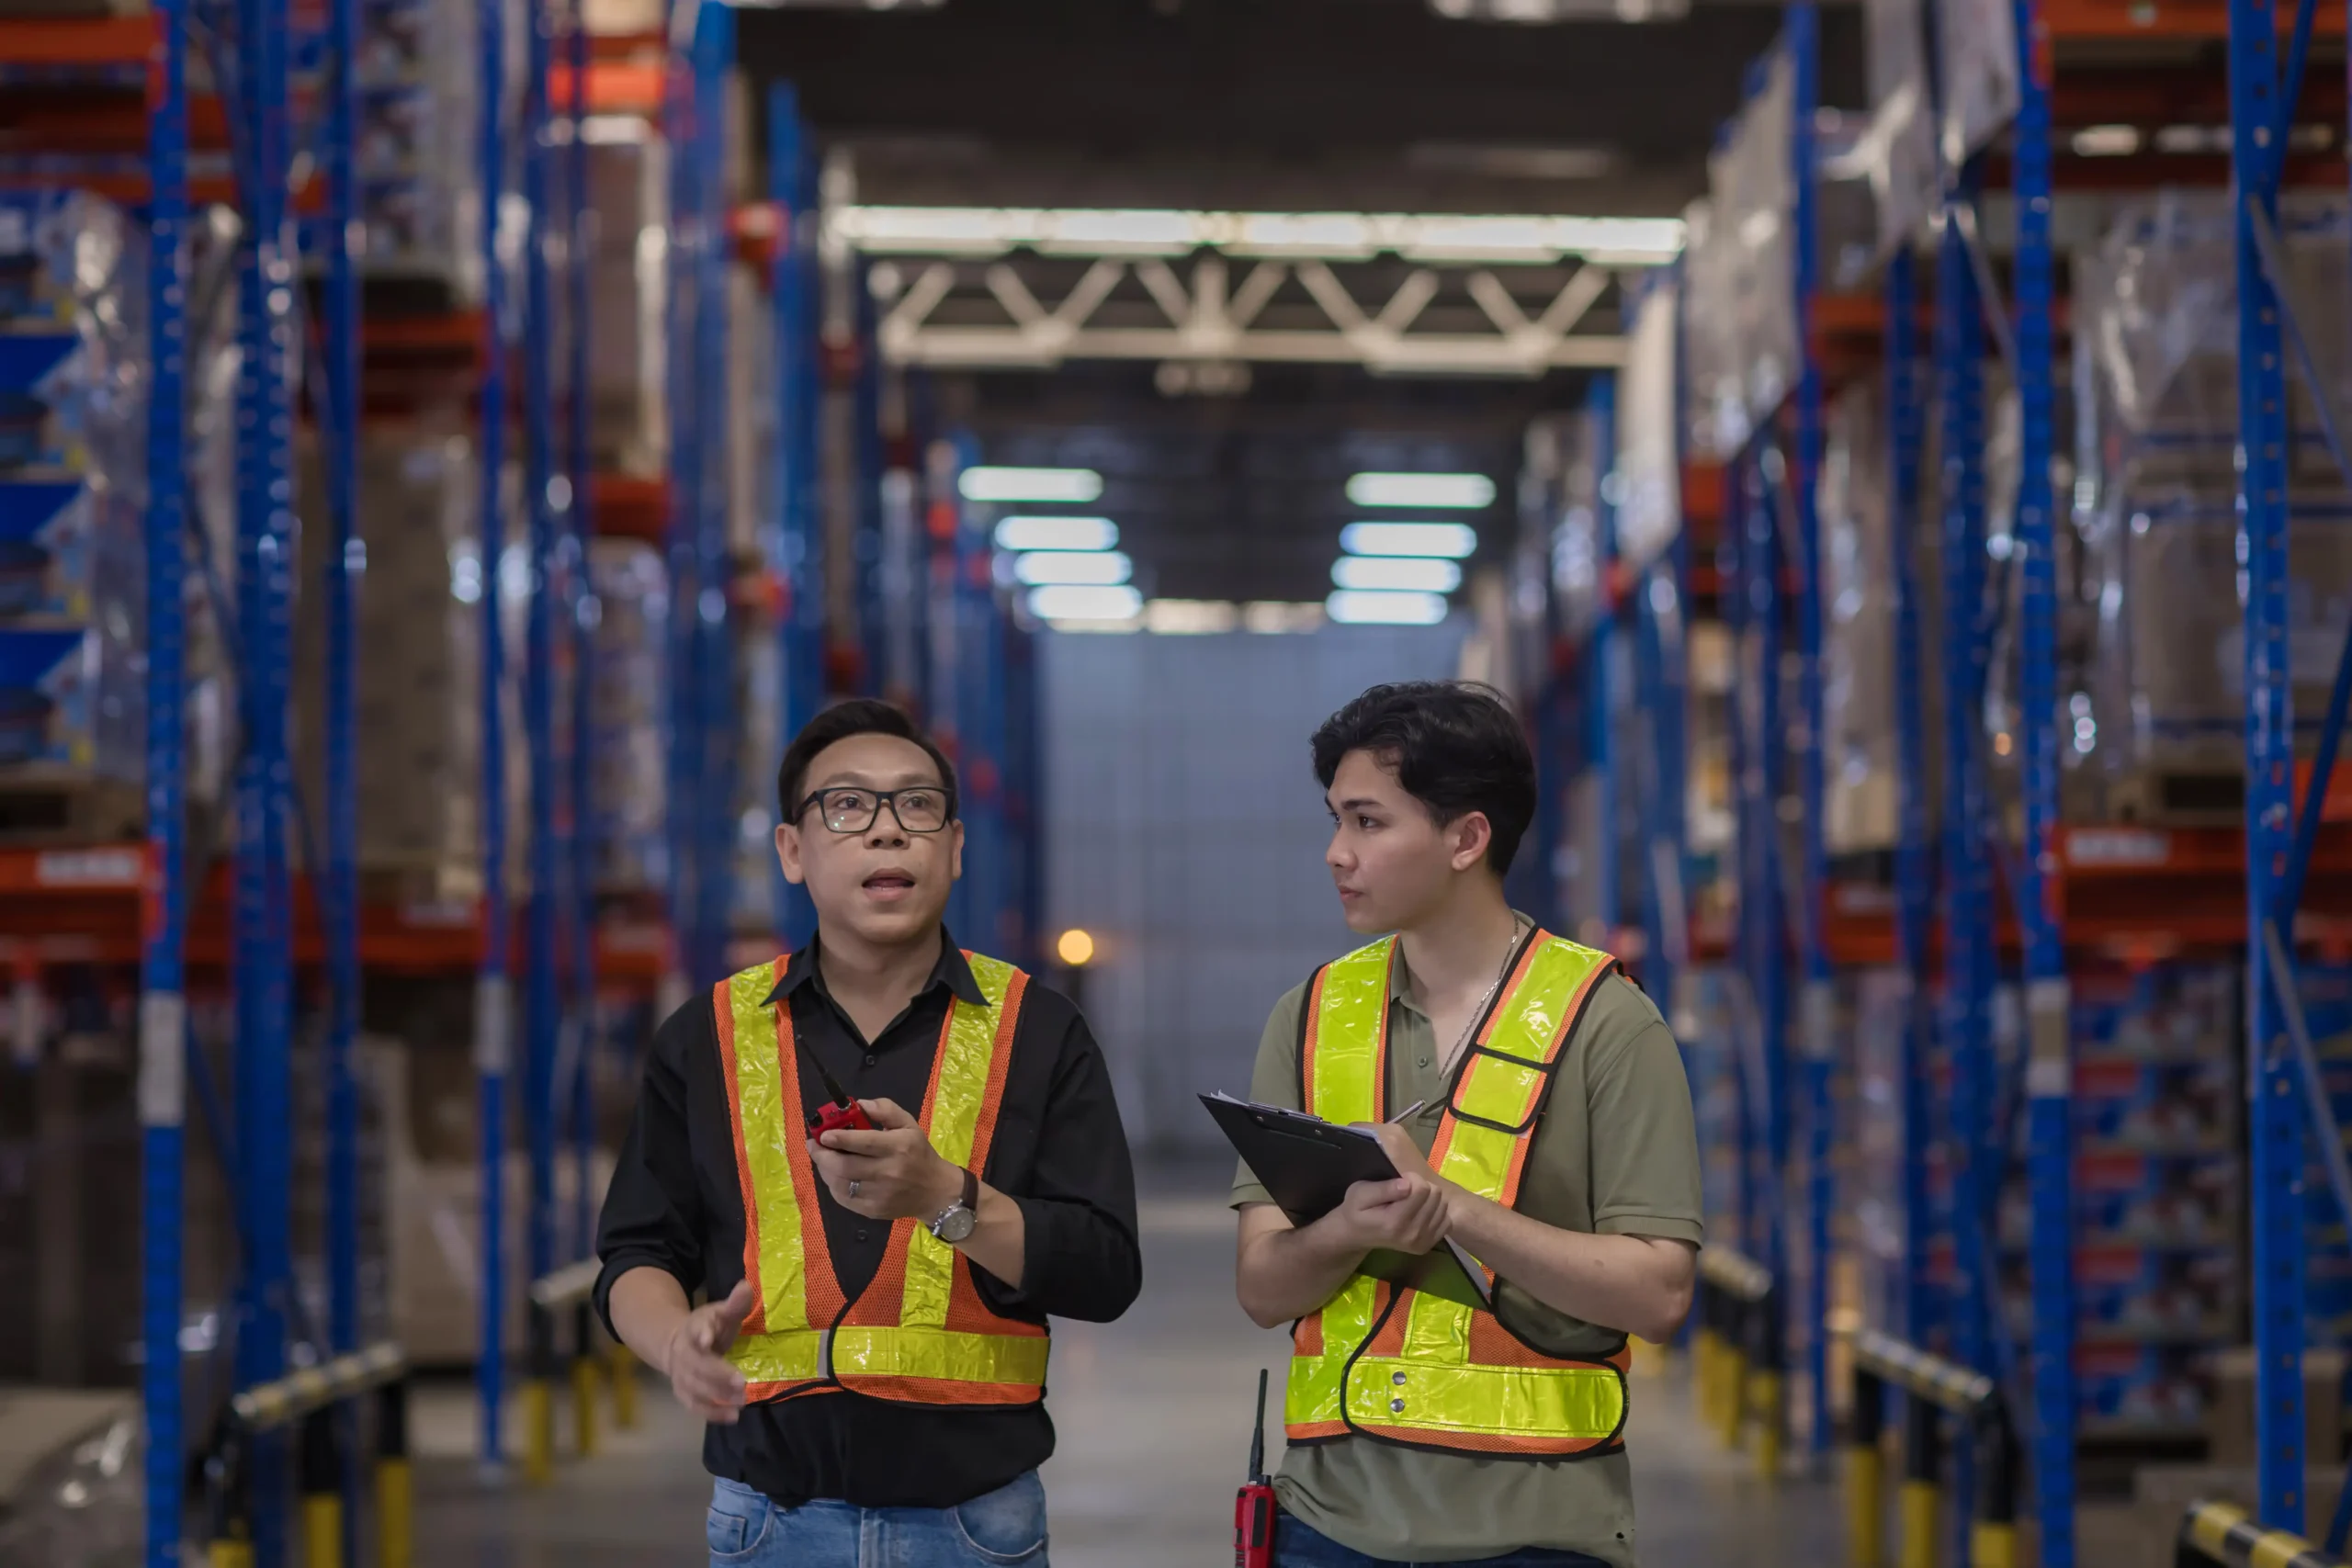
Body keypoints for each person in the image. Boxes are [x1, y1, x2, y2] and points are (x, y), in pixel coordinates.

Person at [596, 698, 1140, 1568]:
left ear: (955, 848)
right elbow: (635, 1251)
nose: (887, 833)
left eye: (915, 806)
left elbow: (1107, 1269)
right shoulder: (708, 1036)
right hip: (767, 1521)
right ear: (791, 851)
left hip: (975, 1525)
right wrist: (675, 1343)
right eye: (846, 807)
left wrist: (948, 1198)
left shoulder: (1038, 1031)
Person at [1231, 681, 1702, 1568]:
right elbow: (1263, 1288)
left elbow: (1659, 1295)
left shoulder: (1607, 1025)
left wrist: (1448, 1206)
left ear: (1466, 837)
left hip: (1537, 1532)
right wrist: (1344, 1228)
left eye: (1369, 822)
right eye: (1335, 820)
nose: (1337, 853)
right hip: (1327, 1526)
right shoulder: (1311, 1016)